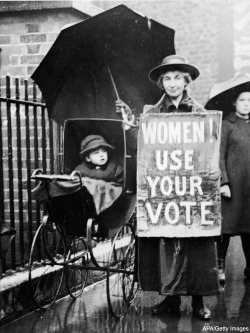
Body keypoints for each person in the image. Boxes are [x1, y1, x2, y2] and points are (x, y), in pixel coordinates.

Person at [115, 54, 219, 320]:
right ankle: (170, 300)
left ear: (186, 82)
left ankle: (198, 302)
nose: (173, 83)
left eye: (178, 79)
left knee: (196, 244)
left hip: (192, 190)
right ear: (162, 83)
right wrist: (130, 126)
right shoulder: (151, 114)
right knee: (167, 244)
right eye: (167, 79)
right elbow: (141, 146)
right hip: (164, 189)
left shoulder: (200, 114)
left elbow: (208, 150)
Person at [217, 89, 250, 283]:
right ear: (234, 103)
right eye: (243, 100)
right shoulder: (226, 125)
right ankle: (219, 267)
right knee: (226, 229)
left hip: (249, 186)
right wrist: (224, 182)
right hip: (232, 187)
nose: (247, 104)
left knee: (249, 228)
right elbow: (219, 156)